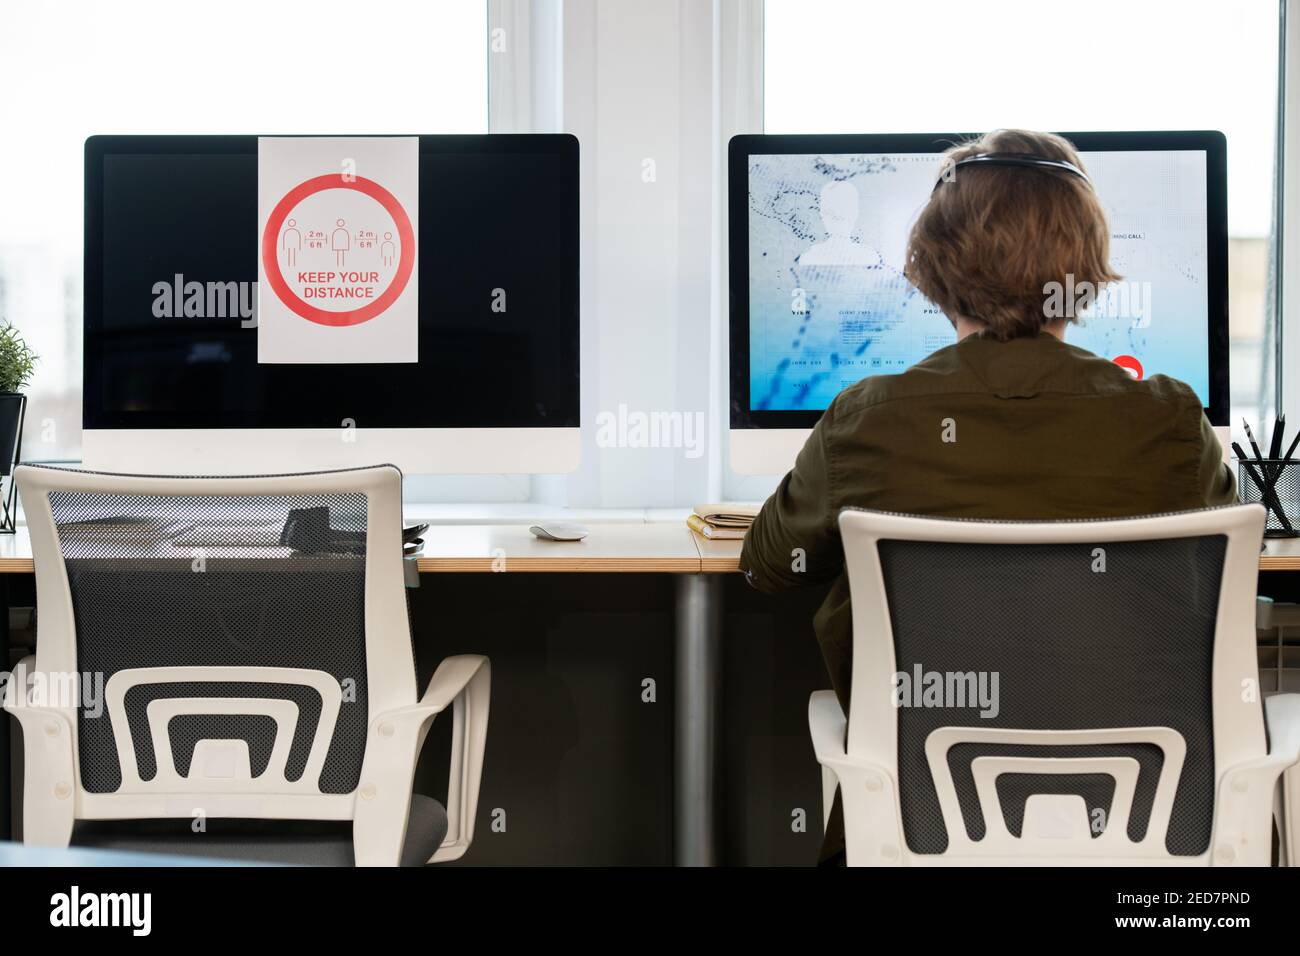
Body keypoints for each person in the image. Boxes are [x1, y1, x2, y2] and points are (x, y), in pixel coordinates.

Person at [737, 129, 1236, 865]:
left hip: (921, 828)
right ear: (1085, 265)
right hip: (1146, 829)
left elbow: (769, 568)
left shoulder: (869, 419)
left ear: (935, 265)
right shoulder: (1169, 421)